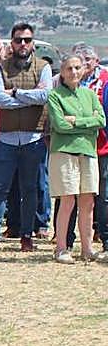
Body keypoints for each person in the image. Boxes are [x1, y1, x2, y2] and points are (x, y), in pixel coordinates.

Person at [0, 22, 52, 254]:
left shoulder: (43, 67)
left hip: (33, 139)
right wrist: (27, 98)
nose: (23, 44)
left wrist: (17, 93)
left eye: (27, 40)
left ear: (32, 43)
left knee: (30, 189)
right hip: (6, 139)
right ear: (11, 43)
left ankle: (26, 235)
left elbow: (45, 95)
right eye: (19, 40)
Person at [46, 54, 106, 263]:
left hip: (88, 152)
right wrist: (87, 125)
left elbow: (101, 119)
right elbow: (59, 125)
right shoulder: (55, 95)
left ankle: (87, 249)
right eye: (69, 68)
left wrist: (77, 122)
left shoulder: (89, 94)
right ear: (62, 72)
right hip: (64, 152)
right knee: (68, 200)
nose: (74, 72)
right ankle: (61, 247)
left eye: (77, 68)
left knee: (88, 200)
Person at [73, 42, 108, 253]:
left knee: (103, 194)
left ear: (95, 61)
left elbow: (102, 117)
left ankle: (104, 236)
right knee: (72, 194)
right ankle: (65, 239)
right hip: (76, 146)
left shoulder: (105, 80)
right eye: (79, 61)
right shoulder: (70, 81)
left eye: (87, 61)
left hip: (102, 145)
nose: (82, 66)